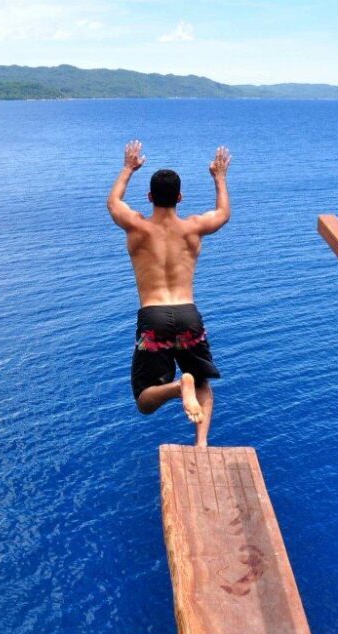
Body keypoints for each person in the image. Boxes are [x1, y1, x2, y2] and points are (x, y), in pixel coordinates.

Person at [107, 140, 231, 447]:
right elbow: (223, 213)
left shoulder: (137, 228)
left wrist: (128, 168)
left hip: (154, 316)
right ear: (180, 197)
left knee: (144, 399)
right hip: (188, 315)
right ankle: (201, 444)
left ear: (149, 197)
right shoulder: (193, 228)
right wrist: (219, 178)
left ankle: (177, 388)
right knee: (201, 381)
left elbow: (113, 203)